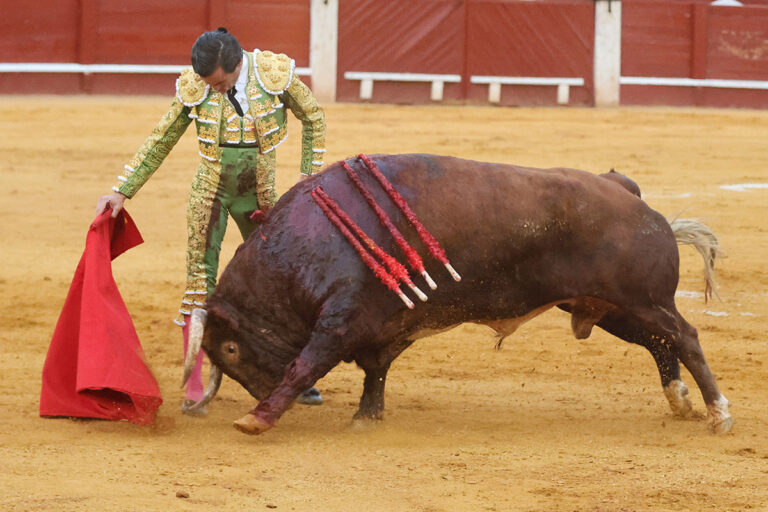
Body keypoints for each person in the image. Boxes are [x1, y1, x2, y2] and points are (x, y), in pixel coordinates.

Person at [96, 28, 326, 415]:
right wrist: (122, 190)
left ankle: (297, 376)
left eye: (218, 83)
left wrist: (308, 177)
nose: (212, 89)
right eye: (206, 83)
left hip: (263, 194)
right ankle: (194, 387)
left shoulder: (274, 74)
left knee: (278, 284)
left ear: (237, 65)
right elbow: (162, 138)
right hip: (212, 190)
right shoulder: (196, 86)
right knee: (198, 281)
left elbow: (314, 117)